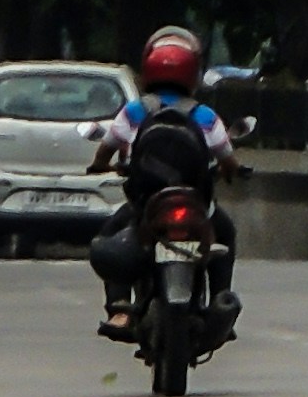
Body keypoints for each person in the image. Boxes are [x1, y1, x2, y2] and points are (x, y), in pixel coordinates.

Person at [88, 28, 241, 336]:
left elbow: (106, 148)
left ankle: (119, 308)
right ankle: (218, 302)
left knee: (114, 233)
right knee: (225, 233)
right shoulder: (205, 115)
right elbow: (227, 158)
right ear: (192, 73)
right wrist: (231, 172)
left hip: (146, 205)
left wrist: (100, 165)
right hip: (196, 205)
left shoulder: (134, 111)